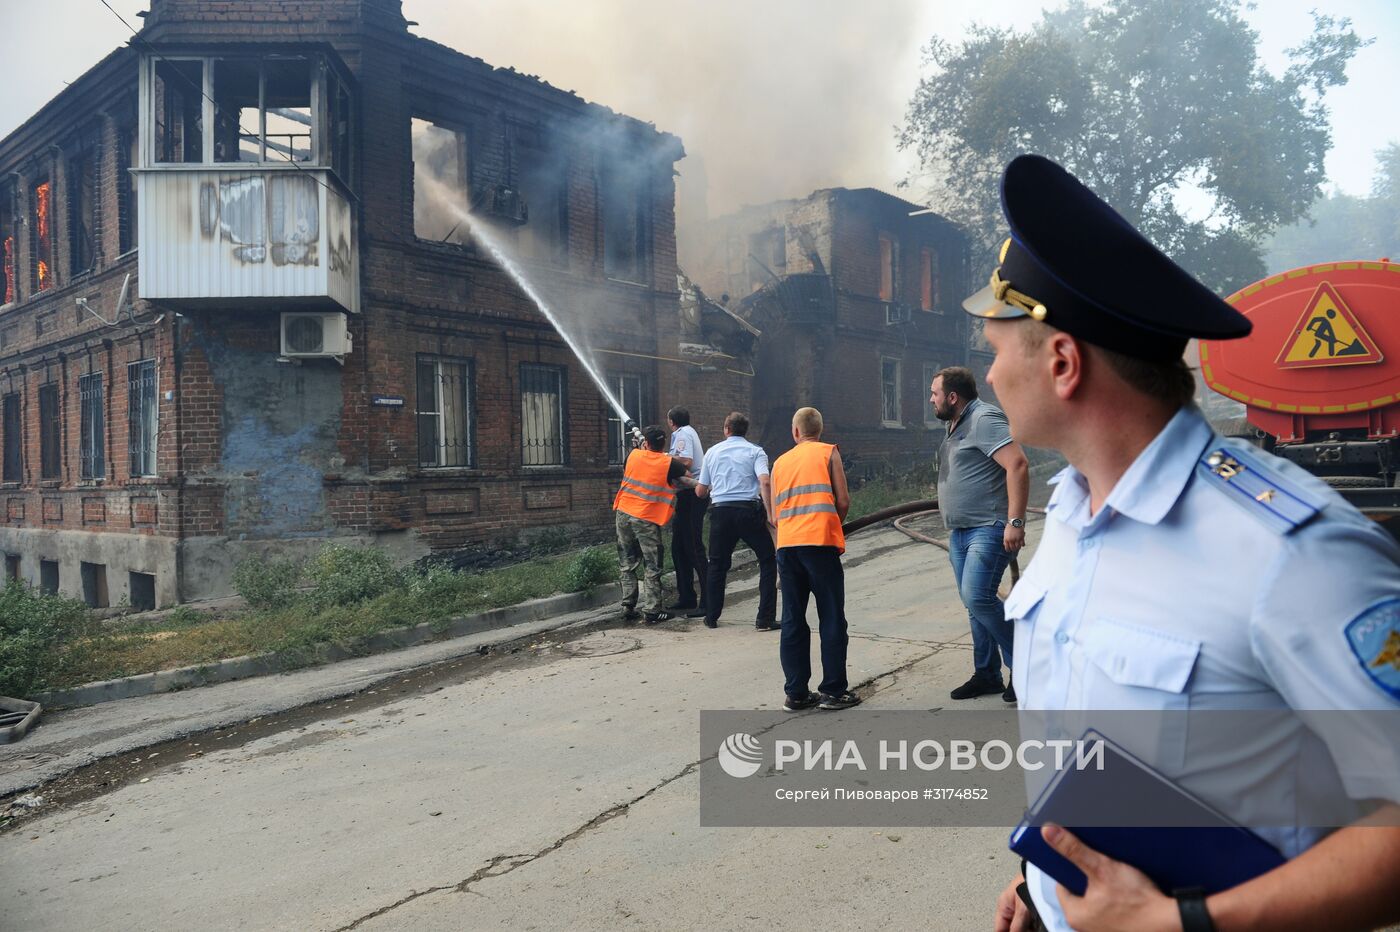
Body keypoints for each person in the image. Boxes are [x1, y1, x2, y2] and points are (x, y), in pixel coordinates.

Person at [971, 155, 1400, 932]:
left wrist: (1186, 922)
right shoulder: (1069, 516)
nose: (991, 375)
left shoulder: (1291, 554)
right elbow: (1085, 748)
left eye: (998, 348)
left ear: (1063, 363)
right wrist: (1039, 879)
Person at [930, 365, 1030, 703]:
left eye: (935, 394)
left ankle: (1030, 664)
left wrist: (1014, 522)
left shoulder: (984, 418)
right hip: (961, 531)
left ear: (953, 397)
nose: (932, 400)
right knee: (974, 605)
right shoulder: (956, 423)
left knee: (977, 596)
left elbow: (1017, 464)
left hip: (988, 527)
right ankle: (987, 673)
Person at [772, 407, 859, 711]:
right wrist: (833, 524)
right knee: (832, 615)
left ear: (795, 432)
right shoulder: (828, 452)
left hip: (787, 547)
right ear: (819, 430)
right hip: (820, 544)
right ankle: (834, 691)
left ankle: (796, 693)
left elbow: (774, 515)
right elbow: (843, 500)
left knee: (793, 620)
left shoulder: (780, 463)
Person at [687, 412, 779, 630]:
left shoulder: (712, 452)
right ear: (745, 431)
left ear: (726, 429)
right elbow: (764, 482)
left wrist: (696, 484)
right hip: (748, 511)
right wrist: (770, 513)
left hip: (720, 513)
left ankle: (711, 616)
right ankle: (764, 619)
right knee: (768, 559)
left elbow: (700, 492)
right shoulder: (756, 452)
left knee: (717, 565)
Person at [612, 424, 686, 624]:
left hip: (623, 513)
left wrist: (639, 447)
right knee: (652, 564)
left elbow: (632, 463)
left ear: (646, 442)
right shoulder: (668, 462)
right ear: (664, 444)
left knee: (627, 563)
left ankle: (628, 606)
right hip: (645, 518)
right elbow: (683, 470)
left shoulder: (633, 455)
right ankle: (652, 610)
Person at [665, 406, 709, 616]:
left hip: (694, 494)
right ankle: (686, 597)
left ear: (672, 421)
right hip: (685, 496)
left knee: (693, 546)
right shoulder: (686, 433)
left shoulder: (682, 434)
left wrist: (663, 460)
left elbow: (686, 461)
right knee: (679, 548)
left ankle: (708, 600)